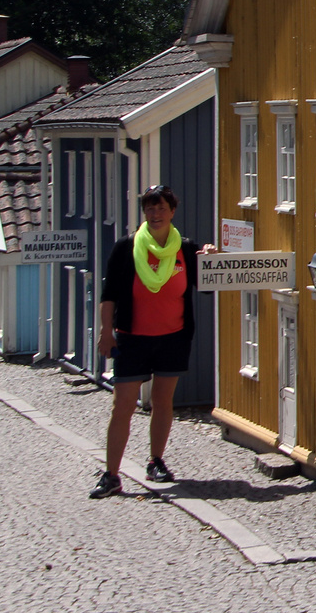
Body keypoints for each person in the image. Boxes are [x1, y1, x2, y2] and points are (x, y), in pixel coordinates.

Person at [89, 185, 214, 498]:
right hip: (133, 340)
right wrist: (107, 331)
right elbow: (109, 296)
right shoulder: (126, 248)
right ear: (144, 213)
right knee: (123, 406)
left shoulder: (185, 249)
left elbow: (209, 286)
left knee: (162, 401)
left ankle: (156, 461)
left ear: (172, 212)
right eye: (150, 209)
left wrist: (213, 259)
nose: (155, 214)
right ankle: (112, 474)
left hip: (173, 338)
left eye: (161, 208)